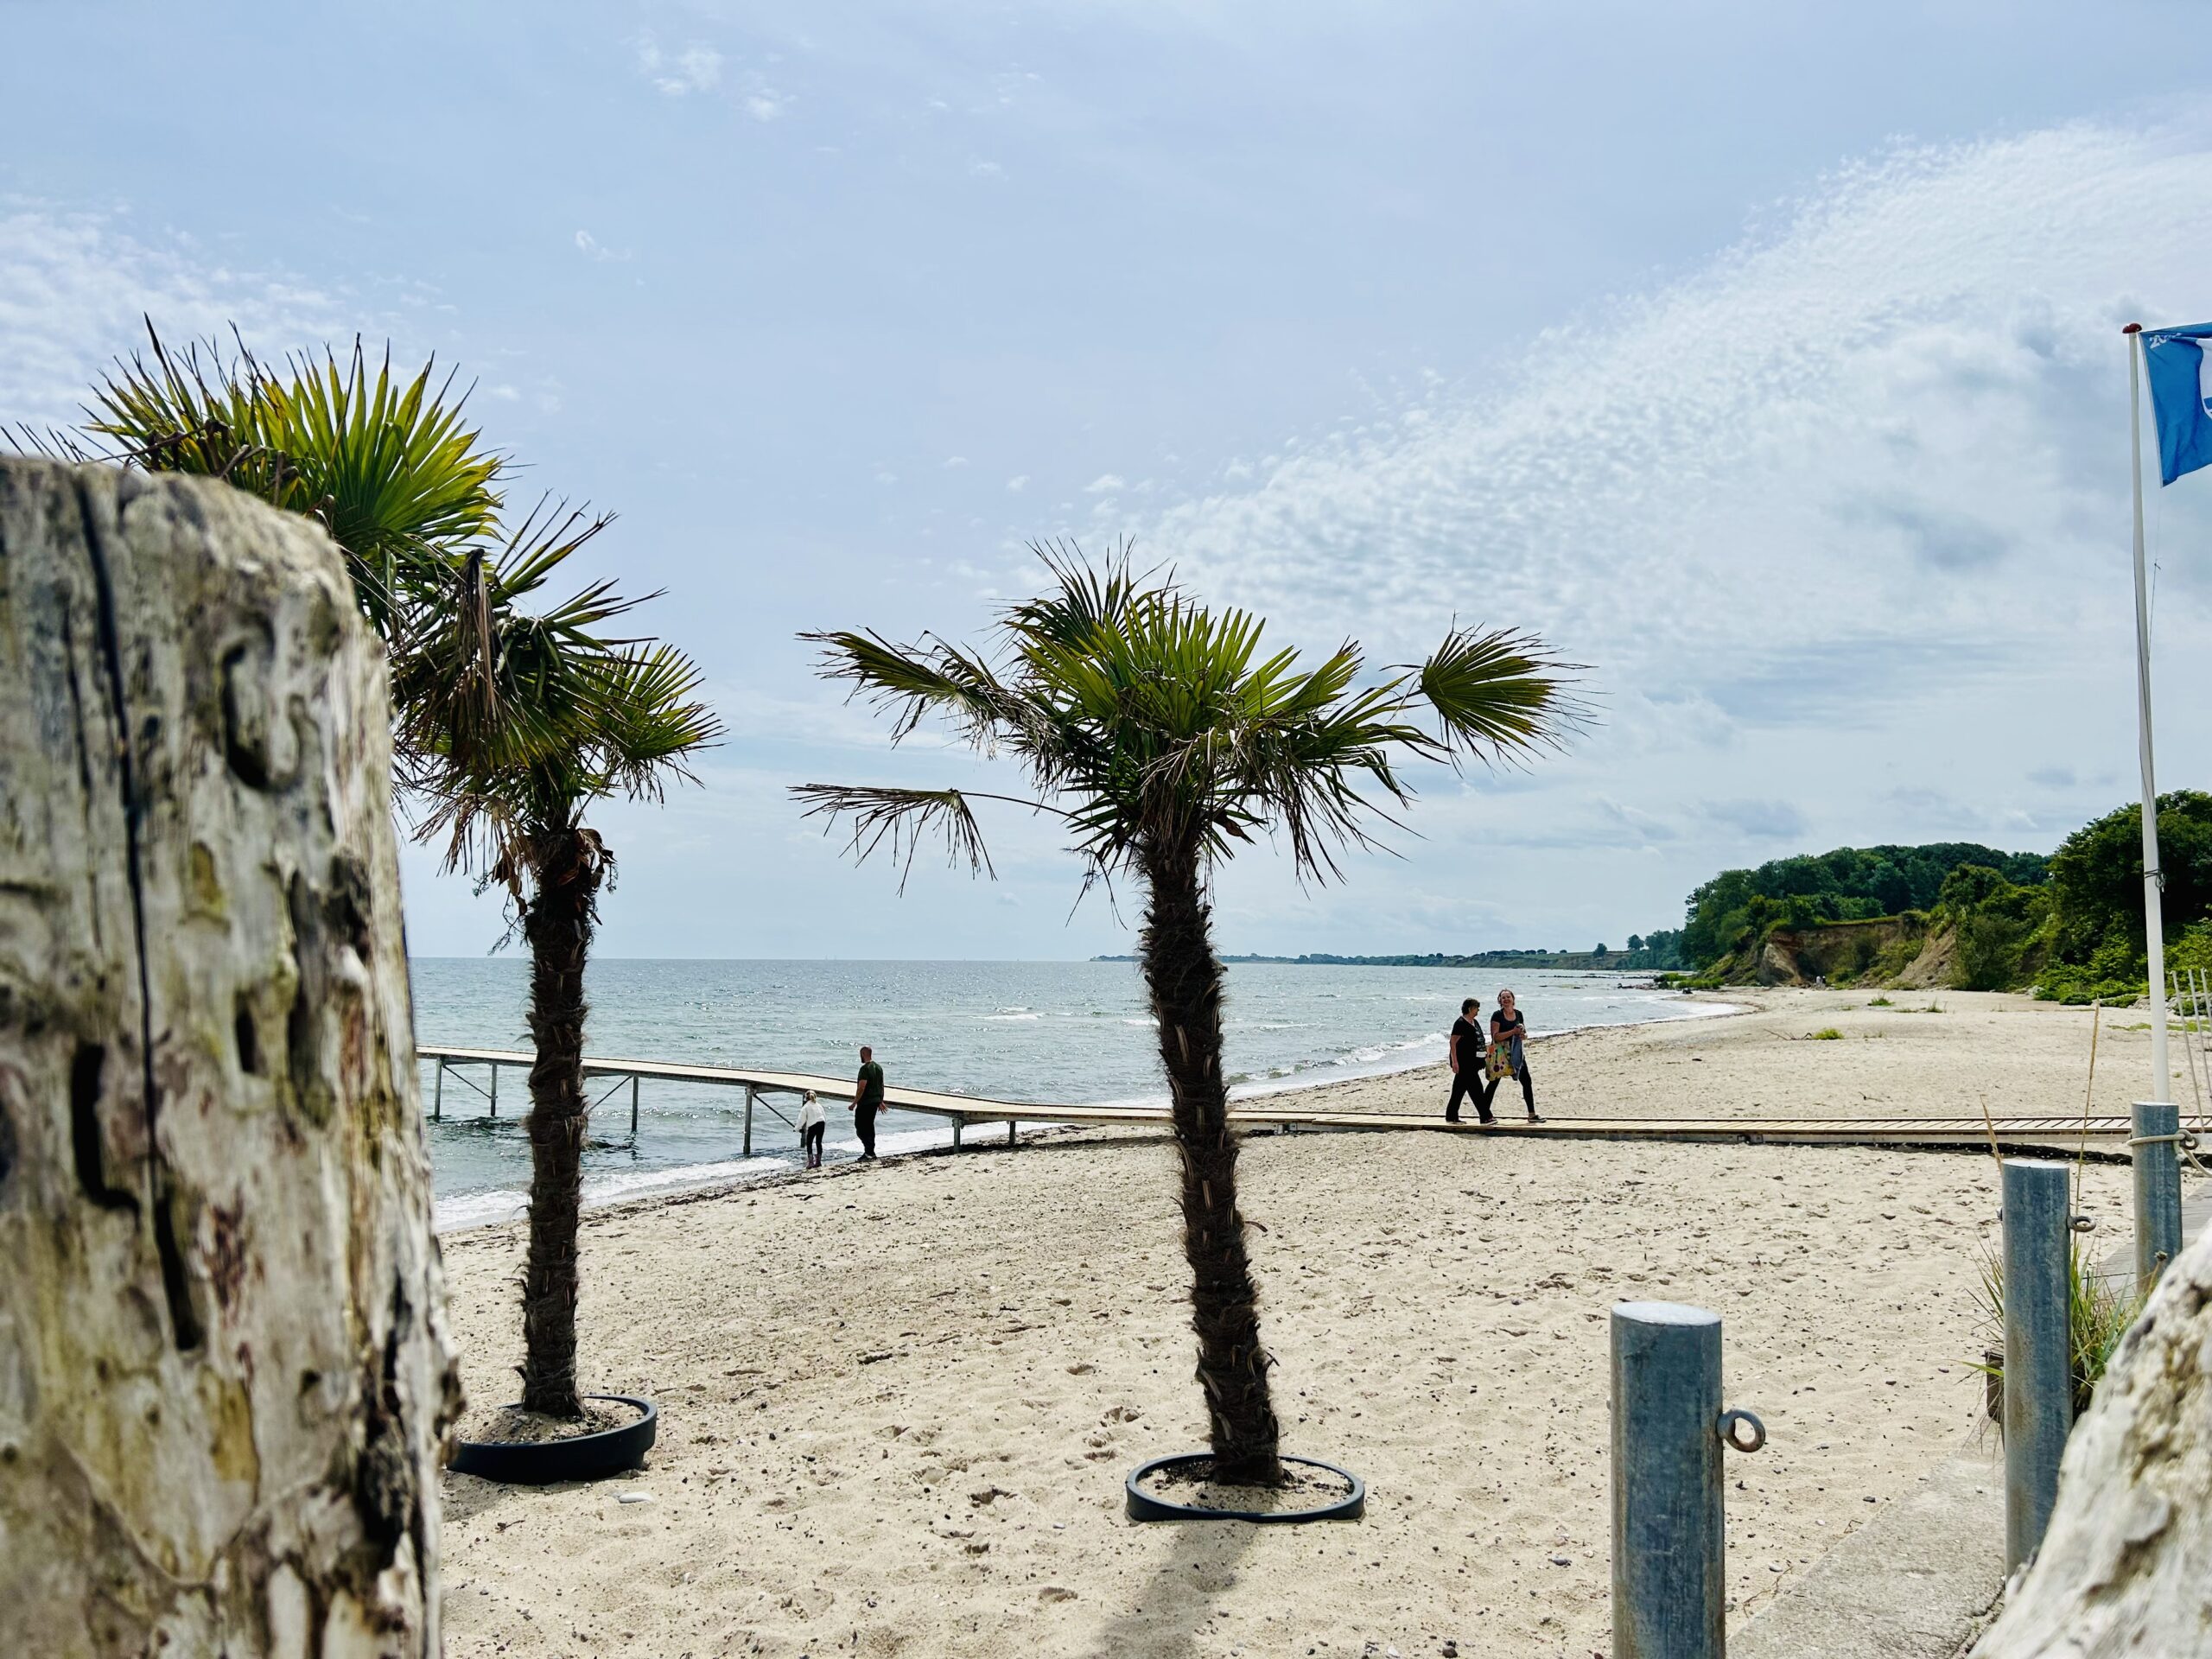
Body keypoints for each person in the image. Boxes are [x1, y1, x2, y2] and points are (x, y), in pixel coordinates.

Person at [1490, 989, 1541, 1123]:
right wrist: (1513, 1031)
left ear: (1513, 999)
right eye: (1503, 997)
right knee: (1494, 1083)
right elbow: (1495, 1037)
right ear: (1499, 1001)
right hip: (1501, 1054)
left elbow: (1523, 1032)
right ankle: (1485, 1114)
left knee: (1526, 1081)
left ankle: (1532, 1114)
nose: (1506, 999)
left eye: (1508, 997)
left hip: (1517, 1052)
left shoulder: (1518, 1014)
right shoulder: (1497, 1015)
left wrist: (1523, 1035)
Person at [1445, 997, 1497, 1126]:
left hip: (1474, 1061)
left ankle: (1451, 1115)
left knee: (1459, 1089)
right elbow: (1453, 1042)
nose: (1478, 1010)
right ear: (1470, 1008)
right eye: (1476, 1008)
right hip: (1464, 1062)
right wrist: (1455, 1062)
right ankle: (1485, 1116)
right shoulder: (1460, 1023)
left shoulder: (1475, 1022)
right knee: (1476, 1089)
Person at [849, 1044, 886, 1160]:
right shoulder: (879, 1067)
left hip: (865, 1102)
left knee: (860, 1127)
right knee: (869, 1126)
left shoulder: (864, 1069)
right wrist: (881, 1100)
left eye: (861, 1054)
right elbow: (881, 1086)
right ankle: (870, 1152)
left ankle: (869, 1151)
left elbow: (861, 1087)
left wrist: (854, 1102)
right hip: (875, 1102)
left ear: (864, 1054)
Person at [798, 1089, 826, 1168]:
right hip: (822, 1123)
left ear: (806, 1098)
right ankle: (818, 1162)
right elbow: (824, 1115)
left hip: (813, 1124)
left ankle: (811, 1162)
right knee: (818, 1142)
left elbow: (801, 1119)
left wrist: (797, 1128)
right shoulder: (819, 1105)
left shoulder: (806, 1106)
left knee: (809, 1143)